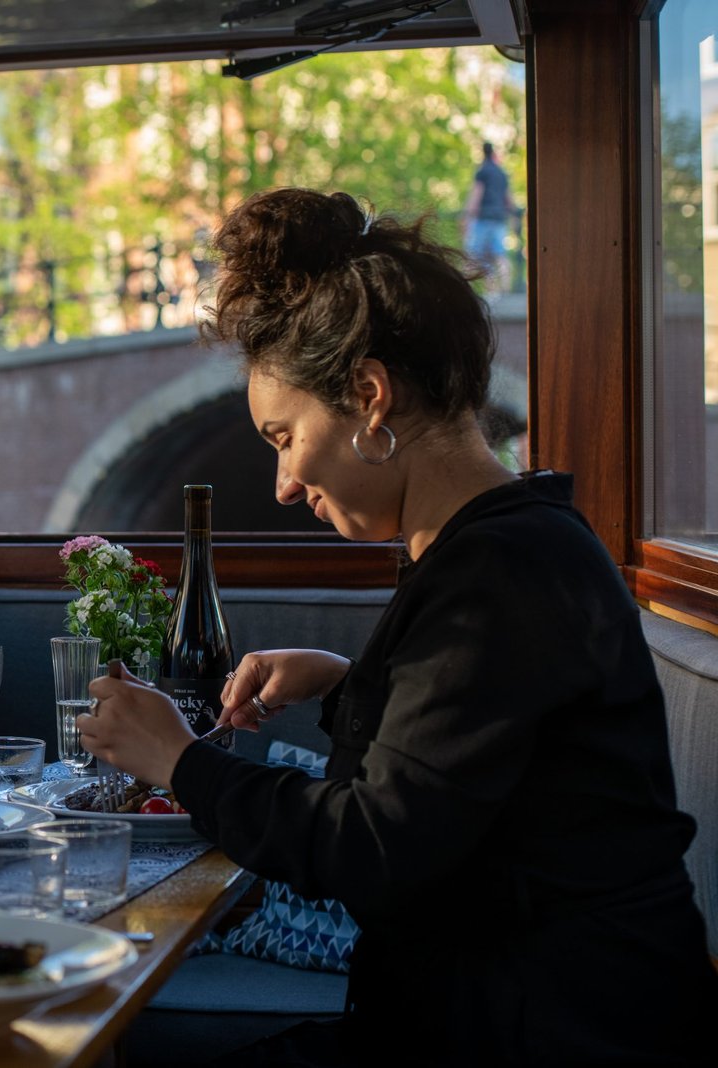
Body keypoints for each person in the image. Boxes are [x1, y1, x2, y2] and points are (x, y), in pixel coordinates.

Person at [79, 188, 716, 1065]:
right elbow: (488, 762)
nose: (282, 486)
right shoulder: (506, 548)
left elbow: (373, 848)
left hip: (541, 1032)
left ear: (370, 397)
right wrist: (351, 683)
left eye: (284, 438)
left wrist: (180, 760)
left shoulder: (499, 575)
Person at [462, 140, 515, 287]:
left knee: (473, 254)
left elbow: (476, 195)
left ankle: (467, 288)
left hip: (483, 218)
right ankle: (505, 289)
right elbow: (509, 199)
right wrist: (513, 216)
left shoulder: (482, 172)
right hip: (499, 218)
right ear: (493, 153)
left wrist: (467, 216)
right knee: (500, 255)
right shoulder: (502, 173)